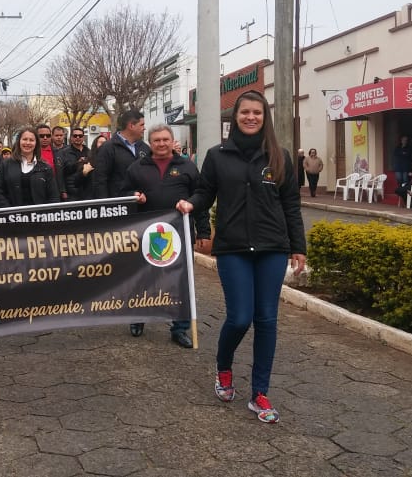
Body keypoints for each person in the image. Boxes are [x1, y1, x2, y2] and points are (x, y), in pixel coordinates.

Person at [179, 90, 306, 424]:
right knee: (239, 318)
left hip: (272, 248)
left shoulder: (280, 156)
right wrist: (191, 203)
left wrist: (299, 246)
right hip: (234, 248)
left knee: (266, 320)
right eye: (245, 112)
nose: (251, 117)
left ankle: (260, 393)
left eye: (257, 113)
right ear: (234, 117)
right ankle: (223, 368)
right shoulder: (217, 155)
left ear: (265, 118)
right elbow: (206, 192)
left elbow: (291, 204)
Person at [125, 124, 200, 347]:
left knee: (181, 280)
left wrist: (203, 230)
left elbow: (200, 196)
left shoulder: (187, 166)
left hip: (180, 232)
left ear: (171, 140)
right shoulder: (136, 168)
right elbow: (122, 193)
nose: (161, 144)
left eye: (165, 139)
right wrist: (133, 195)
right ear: (150, 142)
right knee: (143, 278)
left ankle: (180, 328)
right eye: (156, 140)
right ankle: (138, 318)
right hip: (146, 233)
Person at [0, 127, 60, 207]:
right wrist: (9, 211)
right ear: (19, 142)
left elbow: (53, 196)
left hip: (39, 216)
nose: (28, 143)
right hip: (12, 216)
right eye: (25, 139)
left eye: (31, 140)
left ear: (36, 143)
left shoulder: (46, 168)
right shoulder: (6, 165)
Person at [94, 110, 149, 199]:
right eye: (142, 125)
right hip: (118, 205)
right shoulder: (108, 148)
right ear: (131, 125)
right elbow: (100, 180)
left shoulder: (145, 148)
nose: (144, 128)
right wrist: (105, 205)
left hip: (142, 204)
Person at [58, 127, 90, 201]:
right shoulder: (63, 152)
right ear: (71, 138)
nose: (78, 137)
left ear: (83, 137)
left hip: (86, 190)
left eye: (80, 136)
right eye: (75, 136)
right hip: (71, 192)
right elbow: (62, 172)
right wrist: (63, 191)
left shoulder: (89, 152)